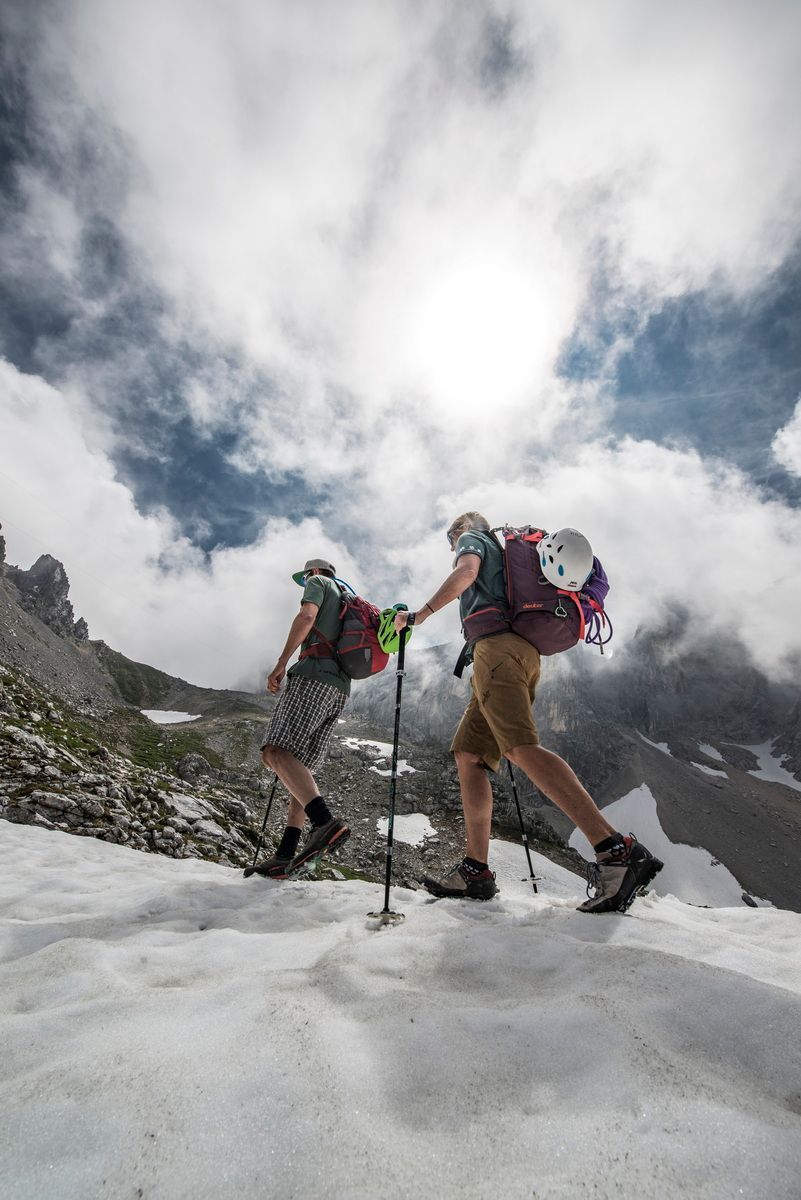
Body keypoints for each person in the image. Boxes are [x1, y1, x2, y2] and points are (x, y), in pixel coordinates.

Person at [394, 512, 662, 913]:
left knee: (519, 748)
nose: (452, 548)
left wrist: (420, 615)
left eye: (450, 541)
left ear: (457, 532)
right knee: (470, 755)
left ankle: (615, 850)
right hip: (515, 654)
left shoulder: (473, 539)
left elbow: (466, 572)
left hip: (498, 653)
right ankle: (476, 871)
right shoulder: (506, 553)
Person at [254, 558, 351, 878]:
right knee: (300, 769)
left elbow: (306, 615)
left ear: (314, 573)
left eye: (306, 577)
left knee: (275, 752)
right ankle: (285, 855)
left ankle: (324, 822)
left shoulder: (318, 583)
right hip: (339, 689)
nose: (305, 581)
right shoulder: (347, 600)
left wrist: (282, 662)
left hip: (312, 676)